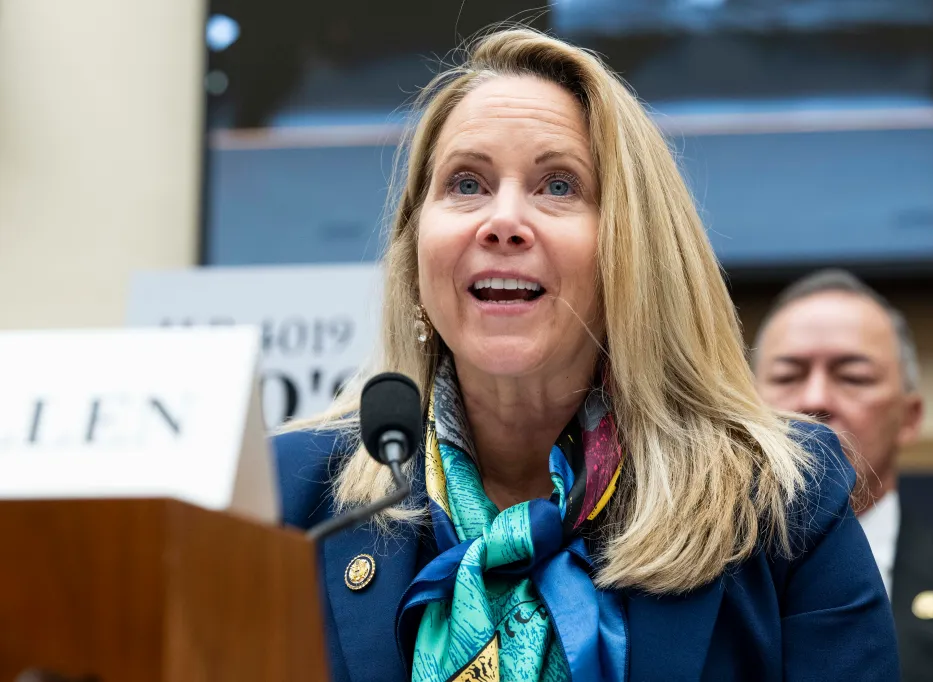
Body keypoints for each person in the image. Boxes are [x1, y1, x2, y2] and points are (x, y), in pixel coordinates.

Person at [274, 29, 898, 682]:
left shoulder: (781, 505)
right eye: (466, 183)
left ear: (633, 253)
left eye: (559, 186)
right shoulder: (294, 503)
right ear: (414, 249)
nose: (503, 220)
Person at [754, 269, 933, 682]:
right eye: (788, 376)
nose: (815, 400)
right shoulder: (692, 592)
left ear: (909, 419)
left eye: (853, 377)